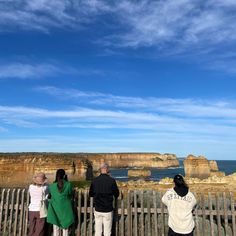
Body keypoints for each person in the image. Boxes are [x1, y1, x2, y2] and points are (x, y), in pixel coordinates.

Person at [89, 163, 119, 236]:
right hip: (108, 209)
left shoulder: (94, 180)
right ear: (107, 170)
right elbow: (116, 194)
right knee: (107, 232)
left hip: (98, 209)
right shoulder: (112, 181)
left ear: (100, 170)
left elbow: (91, 194)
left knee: (98, 231)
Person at [47, 169, 74, 236]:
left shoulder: (52, 186)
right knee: (65, 228)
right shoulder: (68, 184)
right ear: (64, 175)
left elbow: (50, 196)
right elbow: (70, 195)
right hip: (65, 209)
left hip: (55, 209)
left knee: (56, 228)